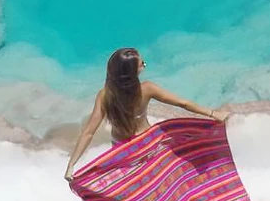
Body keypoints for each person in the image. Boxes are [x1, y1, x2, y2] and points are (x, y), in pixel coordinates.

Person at [64, 47, 230, 182]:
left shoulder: (105, 95)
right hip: (146, 144)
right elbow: (183, 103)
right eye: (143, 63)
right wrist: (214, 113)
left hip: (122, 148)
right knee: (154, 181)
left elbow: (89, 132)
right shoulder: (147, 89)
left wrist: (72, 165)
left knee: (134, 183)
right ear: (132, 72)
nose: (144, 64)